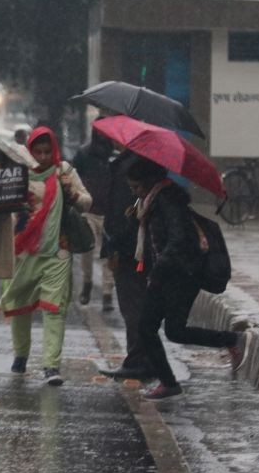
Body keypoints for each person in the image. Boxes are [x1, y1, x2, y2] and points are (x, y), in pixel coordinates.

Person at [127, 156, 246, 401]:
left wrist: (159, 268)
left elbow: (178, 239)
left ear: (149, 182)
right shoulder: (153, 201)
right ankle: (231, 340)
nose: (135, 192)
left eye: (137, 187)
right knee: (174, 331)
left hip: (178, 275)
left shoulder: (167, 201)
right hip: (173, 274)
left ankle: (169, 383)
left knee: (147, 328)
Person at [0, 126, 92, 386]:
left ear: (54, 150)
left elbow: (87, 202)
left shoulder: (64, 171)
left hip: (57, 251)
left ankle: (51, 365)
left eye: (46, 152)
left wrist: (71, 192)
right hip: (22, 250)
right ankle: (21, 355)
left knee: (55, 308)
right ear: (29, 150)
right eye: (37, 152)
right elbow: (1, 204)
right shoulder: (19, 172)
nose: (41, 157)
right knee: (18, 304)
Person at [97, 149, 157, 381]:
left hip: (130, 251)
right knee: (138, 308)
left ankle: (138, 362)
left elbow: (122, 215)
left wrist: (113, 248)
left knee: (133, 309)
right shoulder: (137, 162)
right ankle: (144, 359)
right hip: (139, 249)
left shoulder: (129, 167)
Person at [71, 127, 115, 310]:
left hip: (109, 213)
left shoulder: (114, 157)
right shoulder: (83, 154)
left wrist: (129, 212)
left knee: (107, 254)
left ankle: (107, 293)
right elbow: (74, 177)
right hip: (88, 210)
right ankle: (88, 282)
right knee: (87, 251)